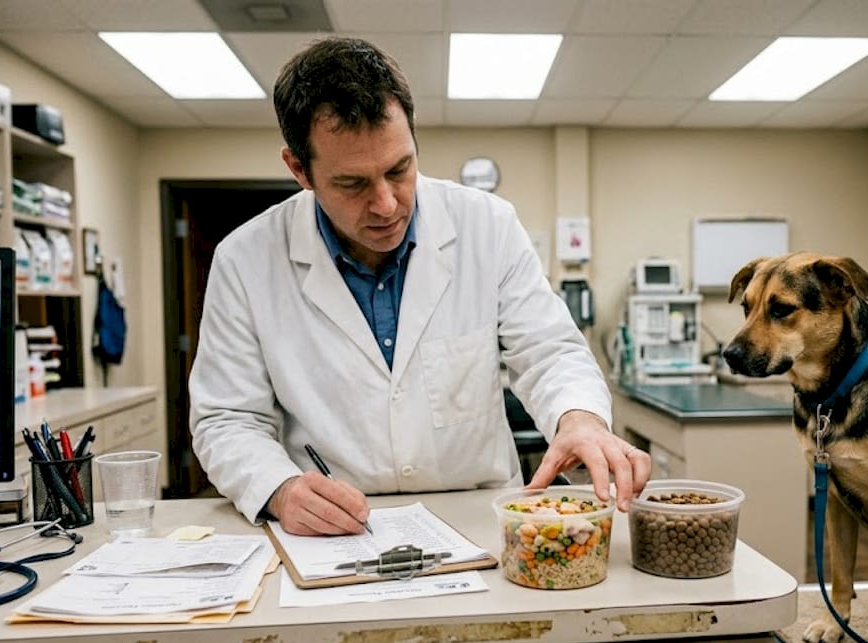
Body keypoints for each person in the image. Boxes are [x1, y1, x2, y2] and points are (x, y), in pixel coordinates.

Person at [188, 36, 650, 536]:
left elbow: (549, 352)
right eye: (352, 184)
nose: (386, 203)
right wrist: (278, 488)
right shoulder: (245, 259)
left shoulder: (486, 225)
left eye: (399, 169)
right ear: (299, 169)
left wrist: (579, 418)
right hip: (336, 533)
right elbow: (227, 417)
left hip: (479, 519)